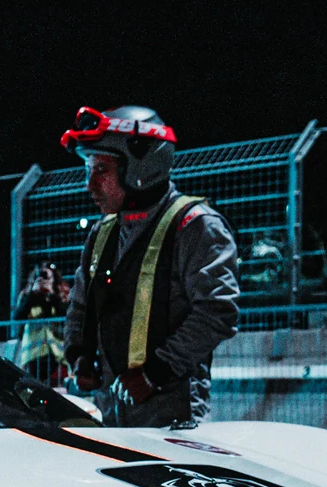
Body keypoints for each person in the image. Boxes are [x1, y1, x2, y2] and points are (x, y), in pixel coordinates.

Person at [59, 105, 240, 428]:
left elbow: (216, 313)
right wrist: (79, 355)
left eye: (100, 170)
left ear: (141, 164)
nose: (90, 185)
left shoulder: (195, 226)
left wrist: (154, 374)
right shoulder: (102, 233)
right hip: (110, 411)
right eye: (88, 170)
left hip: (172, 419)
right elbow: (79, 305)